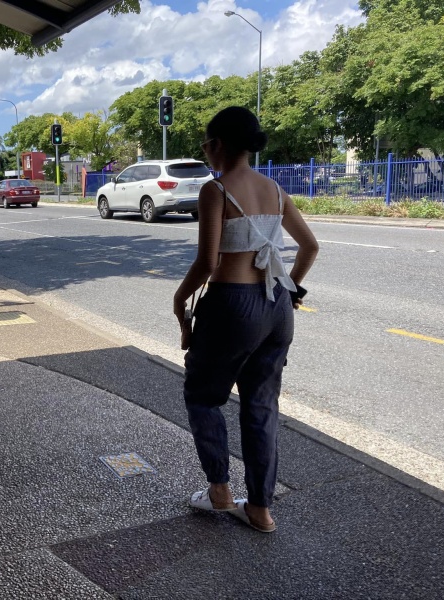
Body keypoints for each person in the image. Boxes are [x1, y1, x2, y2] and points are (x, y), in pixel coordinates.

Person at [173, 107, 319, 533]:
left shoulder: (215, 190)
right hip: (276, 306)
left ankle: (220, 492)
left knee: (204, 397)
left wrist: (180, 300)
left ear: (218, 144)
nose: (205, 151)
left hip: (231, 306)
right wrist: (293, 288)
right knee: (261, 406)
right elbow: (310, 246)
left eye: (205, 144)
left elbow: (207, 262)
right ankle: (260, 510)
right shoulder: (275, 190)